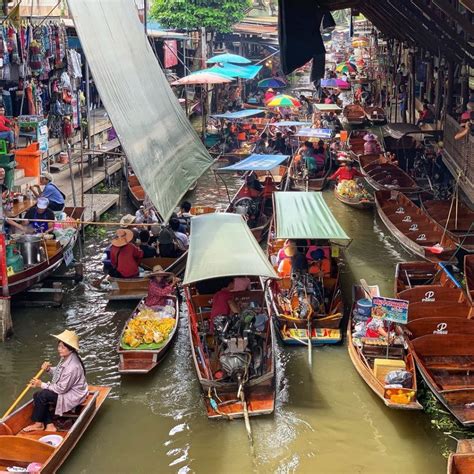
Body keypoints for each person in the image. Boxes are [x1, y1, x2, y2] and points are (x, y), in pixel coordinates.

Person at [23, 330, 88, 432]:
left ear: (70, 349)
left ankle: (39, 424)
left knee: (42, 395)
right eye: (59, 346)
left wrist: (41, 384)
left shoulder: (73, 367)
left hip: (72, 395)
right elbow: (59, 371)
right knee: (37, 395)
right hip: (65, 389)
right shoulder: (66, 357)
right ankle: (49, 424)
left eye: (63, 347)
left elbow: (61, 389)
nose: (59, 349)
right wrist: (49, 369)